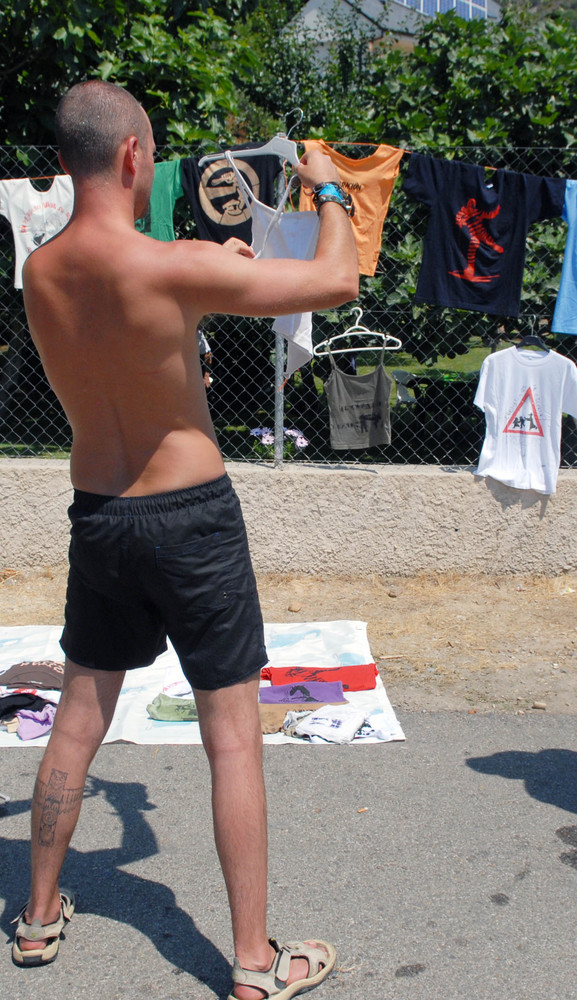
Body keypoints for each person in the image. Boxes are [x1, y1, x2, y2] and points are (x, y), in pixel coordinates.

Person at [14, 79, 359, 1000]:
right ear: (133, 158)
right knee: (233, 739)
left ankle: (39, 916)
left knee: (79, 719)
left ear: (61, 164)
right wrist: (327, 186)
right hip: (190, 517)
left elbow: (141, 318)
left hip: (101, 514)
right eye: (154, 155)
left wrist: (206, 267)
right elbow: (337, 280)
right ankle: (253, 963)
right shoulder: (172, 267)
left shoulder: (40, 272)